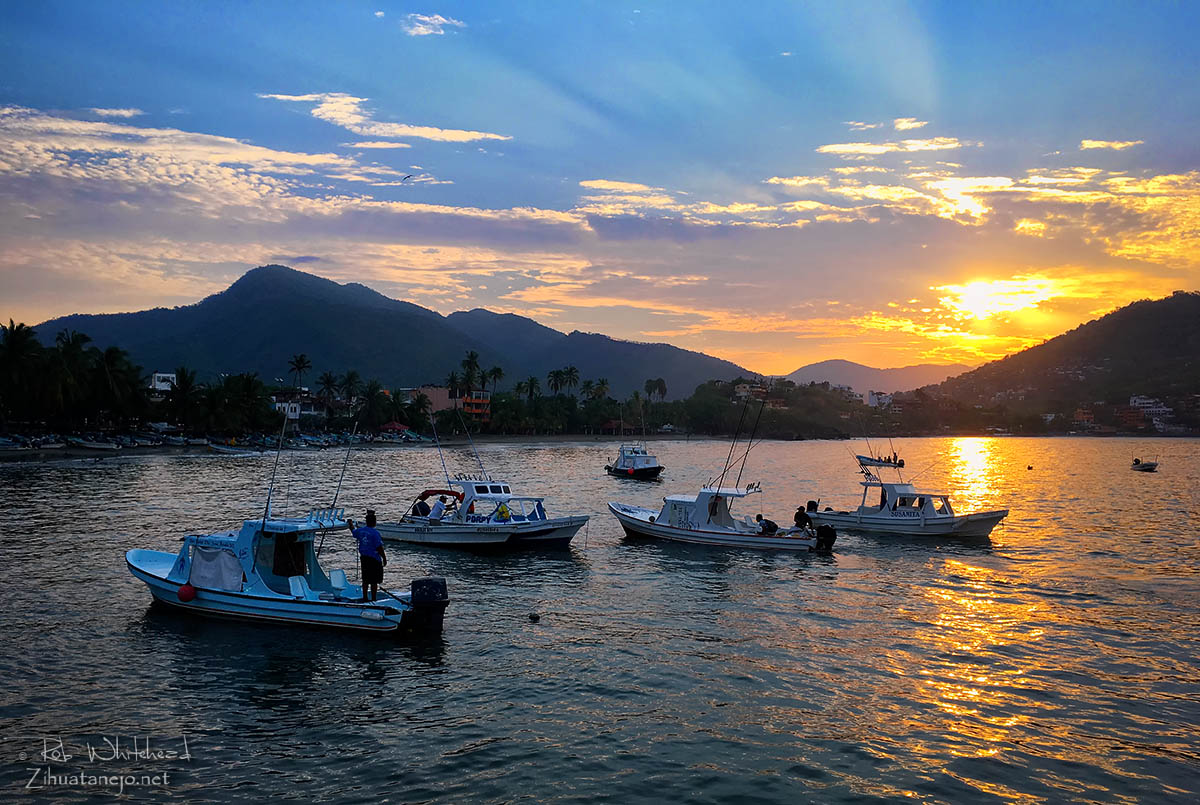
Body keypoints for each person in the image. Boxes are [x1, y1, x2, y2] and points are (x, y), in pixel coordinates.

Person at [348, 509, 386, 603]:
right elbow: (379, 547)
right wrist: (384, 558)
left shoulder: (361, 531)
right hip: (374, 559)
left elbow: (353, 531)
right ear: (374, 522)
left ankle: (365, 597)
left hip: (364, 558)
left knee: (365, 579)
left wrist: (350, 524)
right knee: (374, 580)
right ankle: (373, 599)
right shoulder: (375, 533)